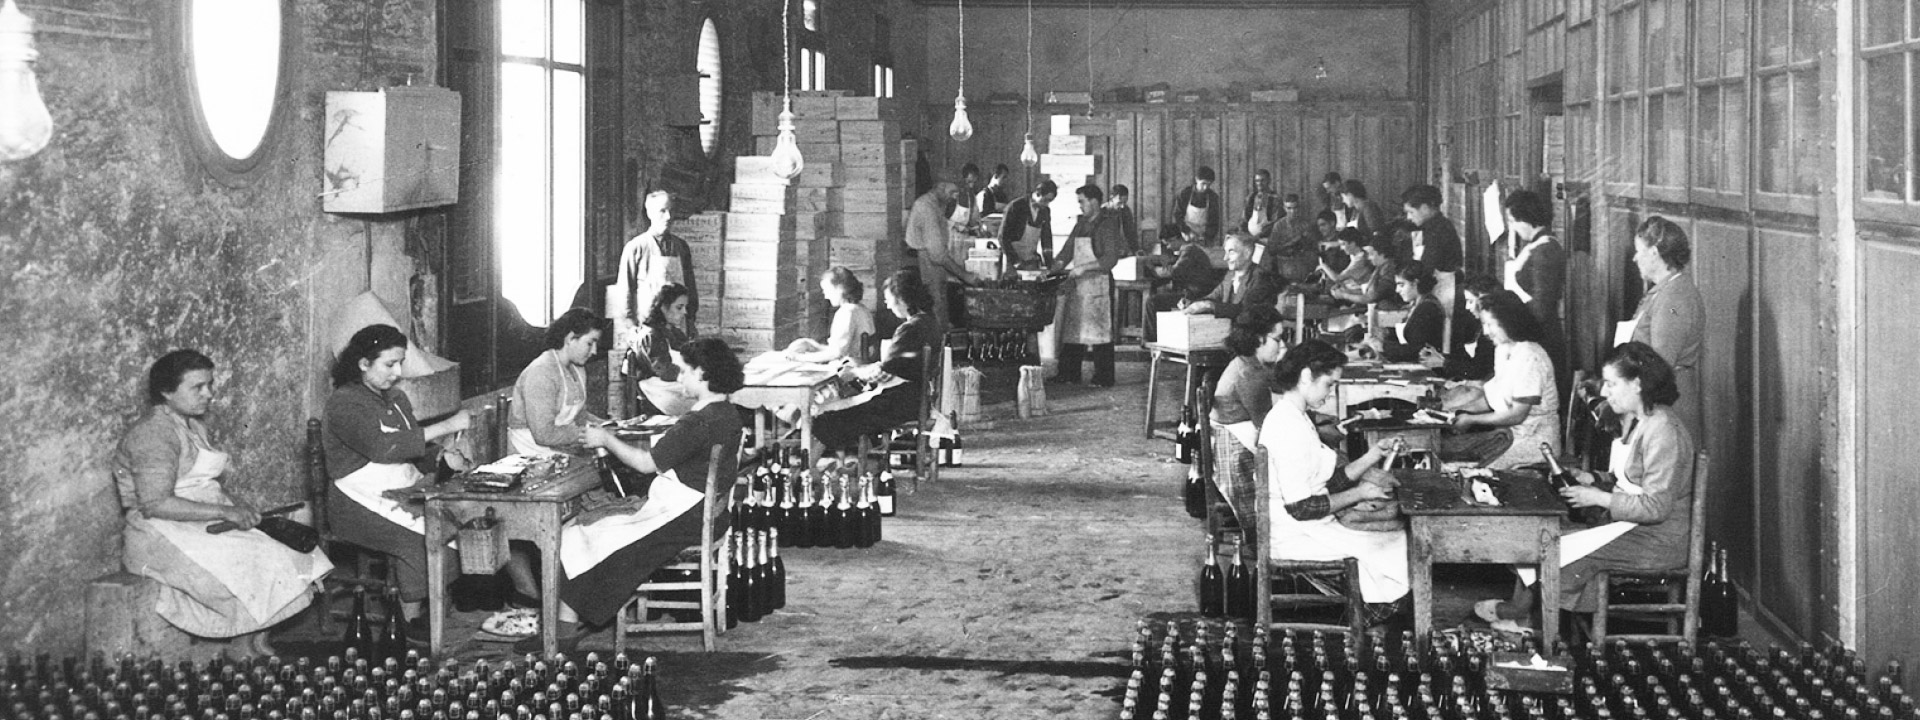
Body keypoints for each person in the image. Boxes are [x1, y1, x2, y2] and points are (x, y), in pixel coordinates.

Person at [112, 350, 332, 649]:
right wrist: (226, 512)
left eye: (210, 385)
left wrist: (239, 511)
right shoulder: (153, 434)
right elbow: (156, 504)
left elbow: (203, 486)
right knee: (249, 564)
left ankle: (254, 642)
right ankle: (243, 646)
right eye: (198, 388)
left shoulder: (193, 425)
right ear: (166, 391)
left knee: (286, 552)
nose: (209, 394)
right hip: (160, 532)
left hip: (200, 522)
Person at [1474, 342, 1696, 632]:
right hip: (1629, 526)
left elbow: (1656, 507)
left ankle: (1532, 623)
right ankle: (1527, 615)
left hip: (1657, 540)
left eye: (1612, 384)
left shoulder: (1663, 430)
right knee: (1539, 538)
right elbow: (1633, 481)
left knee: (1554, 552)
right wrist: (1595, 478)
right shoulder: (1643, 420)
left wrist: (1599, 497)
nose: (1604, 392)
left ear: (1637, 384)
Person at [541, 337, 745, 652]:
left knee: (580, 533)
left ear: (703, 373)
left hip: (682, 517)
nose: (680, 378)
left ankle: (563, 631)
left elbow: (645, 463)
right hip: (709, 514)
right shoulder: (726, 412)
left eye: (685, 371)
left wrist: (605, 439)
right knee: (598, 528)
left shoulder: (697, 422)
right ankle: (576, 617)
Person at [323, 324, 473, 627]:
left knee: (455, 526)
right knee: (421, 542)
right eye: (389, 364)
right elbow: (383, 448)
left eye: (400, 363)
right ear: (363, 364)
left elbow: (414, 449)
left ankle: (432, 613)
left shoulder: (396, 399)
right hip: (355, 503)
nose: (397, 372)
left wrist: (445, 458)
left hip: (399, 487)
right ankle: (411, 627)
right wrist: (446, 425)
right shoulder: (344, 402)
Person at [1260, 339, 1410, 622]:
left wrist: (1372, 455)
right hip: (1294, 533)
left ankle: (1367, 614)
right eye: (1329, 384)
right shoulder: (1287, 427)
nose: (1331, 393)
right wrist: (1361, 493)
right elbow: (1301, 507)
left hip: (1309, 524)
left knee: (1398, 540)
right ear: (1306, 376)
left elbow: (1327, 482)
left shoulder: (1297, 417)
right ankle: (1358, 620)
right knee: (1394, 545)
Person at [810, 270, 934, 462]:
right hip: (914, 396)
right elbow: (895, 366)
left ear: (901, 298)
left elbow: (885, 372)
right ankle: (851, 463)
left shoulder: (910, 329)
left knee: (827, 417)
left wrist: (854, 373)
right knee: (837, 410)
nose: (887, 303)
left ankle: (807, 472)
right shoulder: (929, 321)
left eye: (888, 298)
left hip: (899, 402)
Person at [1439, 292, 1561, 469]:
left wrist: (1472, 420)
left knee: (1468, 468)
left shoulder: (1530, 356)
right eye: (1483, 324)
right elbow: (1490, 400)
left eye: (1490, 325)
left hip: (1536, 440)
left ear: (1509, 322)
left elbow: (1517, 414)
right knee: (1453, 455)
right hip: (1508, 434)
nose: (1486, 332)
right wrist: (1455, 412)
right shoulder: (1503, 349)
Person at [611, 191, 697, 416]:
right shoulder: (636, 248)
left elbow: (690, 286)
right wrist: (633, 329)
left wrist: (691, 319)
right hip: (649, 332)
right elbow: (625, 292)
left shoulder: (681, 247)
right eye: (662, 211)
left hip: (677, 325)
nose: (668, 216)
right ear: (649, 213)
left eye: (671, 210)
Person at [1626, 216, 1705, 444]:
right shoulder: (1664, 290)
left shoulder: (1675, 296)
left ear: (1654, 253)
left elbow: (1659, 365)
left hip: (1667, 408)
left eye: (1638, 251)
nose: (1634, 258)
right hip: (1654, 404)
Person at [1210, 304, 1288, 528]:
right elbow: (1268, 429)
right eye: (1278, 338)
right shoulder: (1248, 374)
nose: (1282, 345)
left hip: (1240, 447)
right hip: (1239, 462)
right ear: (1258, 339)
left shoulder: (1248, 364)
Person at [1054, 184, 1128, 387]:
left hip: (1099, 286)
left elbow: (1110, 259)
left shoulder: (1108, 224)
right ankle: (1069, 374)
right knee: (1074, 329)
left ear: (1094, 201)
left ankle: (1104, 378)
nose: (1080, 206)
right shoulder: (1081, 225)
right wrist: (1054, 268)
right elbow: (1067, 251)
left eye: (1082, 201)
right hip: (1079, 287)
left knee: (1100, 333)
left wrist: (1083, 268)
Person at [512, 307, 608, 453]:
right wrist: (594, 435)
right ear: (570, 338)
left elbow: (580, 416)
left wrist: (608, 426)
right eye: (590, 343)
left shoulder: (577, 369)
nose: (594, 351)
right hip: (529, 453)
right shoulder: (542, 372)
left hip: (559, 448)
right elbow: (543, 434)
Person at [1502, 189, 1568, 388]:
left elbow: (1541, 306)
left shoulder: (1546, 250)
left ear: (1526, 218)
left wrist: (1517, 333)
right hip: (1526, 331)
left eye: (1513, 221)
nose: (1512, 227)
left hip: (1540, 335)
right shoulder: (1535, 245)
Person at [906, 181, 981, 334]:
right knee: (935, 304)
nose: (954, 198)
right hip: (925, 260)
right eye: (951, 193)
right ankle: (939, 346)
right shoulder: (926, 207)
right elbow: (937, 254)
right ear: (939, 189)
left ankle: (943, 338)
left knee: (941, 301)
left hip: (934, 262)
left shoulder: (937, 204)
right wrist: (965, 276)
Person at [1401, 184, 1463, 341]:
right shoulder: (1431, 227)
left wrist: (1415, 290)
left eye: (1411, 212)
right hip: (1435, 290)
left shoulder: (1439, 230)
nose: (1409, 217)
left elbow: (1427, 266)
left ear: (1425, 207)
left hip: (1443, 291)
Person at [784, 266, 877, 364]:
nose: (825, 295)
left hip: (851, 369)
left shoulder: (846, 313)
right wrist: (812, 345)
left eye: (827, 290)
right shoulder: (861, 308)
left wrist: (798, 357)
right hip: (859, 364)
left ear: (840, 289)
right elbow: (840, 348)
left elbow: (835, 354)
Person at [1183, 232, 1282, 320]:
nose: (1225, 258)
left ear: (1247, 253)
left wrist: (1211, 306)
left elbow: (1246, 310)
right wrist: (1191, 302)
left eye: (1231, 252)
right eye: (1226, 252)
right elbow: (1212, 298)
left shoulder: (1261, 277)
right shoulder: (1230, 276)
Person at [1368, 260, 1448, 365]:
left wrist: (1383, 346)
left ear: (1415, 283)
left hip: (1426, 368)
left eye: (1401, 285)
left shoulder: (1427, 308)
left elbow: (1417, 350)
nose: (1397, 290)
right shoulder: (1418, 305)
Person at [629, 284, 692, 416]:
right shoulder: (651, 335)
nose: (684, 312)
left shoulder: (674, 332)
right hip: (659, 391)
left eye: (685, 307)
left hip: (673, 384)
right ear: (663, 307)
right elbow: (664, 371)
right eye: (679, 307)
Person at [1445, 275, 1501, 381]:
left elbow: (1478, 371)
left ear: (1484, 298)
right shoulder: (1479, 324)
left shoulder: (1494, 329)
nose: (1467, 307)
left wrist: (1443, 363)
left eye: (1470, 301)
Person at [999, 180, 1058, 271]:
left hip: (1030, 260)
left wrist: (1049, 264)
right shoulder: (1016, 206)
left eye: (1050, 201)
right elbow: (1003, 237)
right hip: (1011, 259)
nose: (1047, 204)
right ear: (1037, 193)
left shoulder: (1045, 211)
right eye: (1045, 200)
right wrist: (1016, 262)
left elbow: (1046, 238)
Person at [1330, 232, 1400, 307]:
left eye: (1372, 254)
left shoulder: (1389, 271)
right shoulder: (1379, 267)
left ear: (1382, 254)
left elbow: (1370, 298)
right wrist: (1348, 292)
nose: (1369, 258)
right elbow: (1368, 293)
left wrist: (1344, 295)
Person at [1171, 166, 1224, 245]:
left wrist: (1206, 237)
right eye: (1203, 183)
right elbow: (1177, 216)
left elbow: (1214, 221)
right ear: (1196, 180)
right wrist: (1186, 231)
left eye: (1209, 184)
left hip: (1203, 237)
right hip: (1185, 235)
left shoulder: (1213, 197)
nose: (1205, 187)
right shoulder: (1185, 194)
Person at [1244, 169, 1282, 242]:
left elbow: (1276, 222)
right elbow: (1244, 218)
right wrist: (1245, 234)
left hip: (1268, 238)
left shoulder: (1275, 198)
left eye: (1262, 180)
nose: (1259, 183)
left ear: (1269, 181)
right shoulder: (1251, 197)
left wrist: (1260, 235)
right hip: (1249, 238)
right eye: (1257, 181)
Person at [1106, 183, 1141, 255]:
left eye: (1124, 203)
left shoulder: (1125, 210)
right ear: (1111, 197)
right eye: (1120, 203)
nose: (1122, 206)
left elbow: (1130, 233)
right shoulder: (1103, 212)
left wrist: (1136, 250)